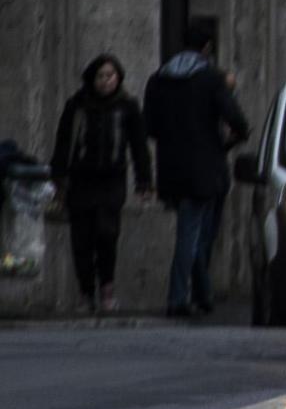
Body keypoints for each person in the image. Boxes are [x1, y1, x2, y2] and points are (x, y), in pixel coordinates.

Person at [143, 18, 247, 318]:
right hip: (205, 167)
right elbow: (236, 119)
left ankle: (204, 294)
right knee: (192, 234)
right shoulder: (211, 79)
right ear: (207, 48)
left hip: (171, 167)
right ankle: (178, 297)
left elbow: (149, 125)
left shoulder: (158, 79)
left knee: (195, 231)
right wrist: (229, 141)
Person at [51, 56, 152, 313]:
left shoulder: (127, 107)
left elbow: (139, 146)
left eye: (110, 75)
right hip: (81, 181)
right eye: (101, 76)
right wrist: (58, 179)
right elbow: (63, 144)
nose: (106, 81)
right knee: (81, 240)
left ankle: (107, 287)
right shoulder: (77, 106)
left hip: (112, 181)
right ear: (92, 78)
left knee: (107, 234)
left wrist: (144, 180)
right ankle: (86, 292)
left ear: (118, 78)